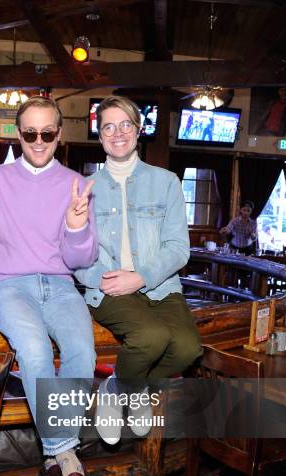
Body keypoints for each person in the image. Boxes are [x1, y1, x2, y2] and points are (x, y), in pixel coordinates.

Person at [0, 96, 99, 476]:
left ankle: (53, 462)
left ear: (60, 134)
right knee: (35, 351)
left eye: (48, 132)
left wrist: (76, 229)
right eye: (30, 132)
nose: (39, 141)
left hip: (59, 285)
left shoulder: (76, 184)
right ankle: (69, 462)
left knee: (83, 352)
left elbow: (83, 258)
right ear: (17, 134)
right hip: (10, 285)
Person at [75, 95, 203, 444]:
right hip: (109, 286)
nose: (117, 133)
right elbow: (74, 252)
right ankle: (117, 394)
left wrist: (142, 275)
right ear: (99, 136)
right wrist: (101, 278)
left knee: (189, 348)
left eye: (125, 124)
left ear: (139, 129)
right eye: (108, 127)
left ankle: (129, 386)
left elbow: (179, 248)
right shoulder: (82, 189)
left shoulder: (167, 182)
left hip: (160, 286)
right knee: (151, 337)